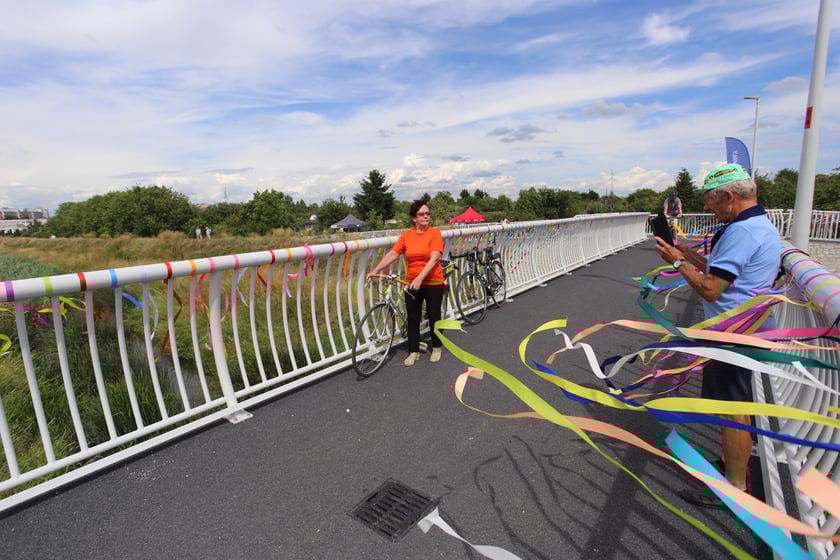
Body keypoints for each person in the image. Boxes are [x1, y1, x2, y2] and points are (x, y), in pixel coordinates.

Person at [655, 163, 780, 508]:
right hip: (744, 328)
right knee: (734, 407)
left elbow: (711, 288)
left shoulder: (743, 231)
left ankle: (736, 487)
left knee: (731, 410)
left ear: (727, 196)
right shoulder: (755, 224)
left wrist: (678, 264)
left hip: (733, 333)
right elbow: (722, 271)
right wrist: (685, 253)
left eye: (710, 200)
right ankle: (731, 466)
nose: (707, 207)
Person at [366, 200, 446, 366]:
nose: (426, 216)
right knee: (413, 316)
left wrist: (420, 278)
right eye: (422, 214)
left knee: (433, 315)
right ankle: (413, 351)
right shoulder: (407, 235)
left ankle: (437, 347)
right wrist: (375, 270)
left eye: (428, 213)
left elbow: (434, 258)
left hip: (433, 281)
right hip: (411, 282)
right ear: (413, 218)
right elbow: (393, 254)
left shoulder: (434, 233)